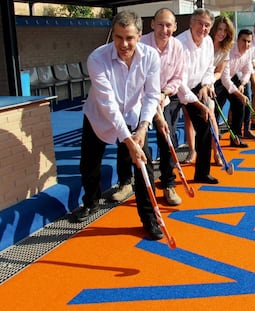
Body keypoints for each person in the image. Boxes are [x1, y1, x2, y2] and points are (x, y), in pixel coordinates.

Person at [73, 11, 164, 240]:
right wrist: (128, 139)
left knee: (144, 164)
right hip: (99, 116)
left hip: (134, 116)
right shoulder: (97, 58)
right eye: (118, 37)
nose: (123, 44)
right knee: (89, 163)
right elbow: (108, 104)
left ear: (140, 36)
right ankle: (91, 202)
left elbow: (152, 95)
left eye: (129, 38)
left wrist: (142, 129)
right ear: (112, 35)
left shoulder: (151, 56)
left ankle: (149, 218)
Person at [111, 8, 185, 206]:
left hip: (163, 97)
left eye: (169, 25)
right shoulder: (140, 43)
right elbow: (133, 78)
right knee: (127, 137)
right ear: (152, 24)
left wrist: (164, 94)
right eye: (160, 24)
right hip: (137, 98)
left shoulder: (178, 47)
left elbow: (178, 78)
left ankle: (168, 184)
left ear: (175, 27)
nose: (164, 29)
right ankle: (125, 182)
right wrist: (151, 102)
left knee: (167, 136)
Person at [175, 8, 219, 184]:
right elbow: (179, 81)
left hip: (193, 87)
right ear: (191, 23)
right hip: (171, 89)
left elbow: (210, 68)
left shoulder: (208, 41)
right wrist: (199, 104)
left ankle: (202, 173)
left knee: (204, 128)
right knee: (168, 135)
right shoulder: (179, 44)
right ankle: (167, 180)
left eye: (207, 25)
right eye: (200, 23)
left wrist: (207, 84)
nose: (203, 28)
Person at [219, 29, 254, 148]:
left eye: (249, 42)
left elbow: (247, 70)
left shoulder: (248, 52)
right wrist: (239, 93)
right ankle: (213, 137)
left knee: (239, 104)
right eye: (244, 41)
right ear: (237, 40)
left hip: (231, 77)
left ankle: (236, 137)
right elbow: (224, 79)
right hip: (218, 79)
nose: (246, 44)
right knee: (216, 109)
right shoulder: (229, 51)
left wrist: (242, 84)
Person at [210, 15, 235, 162]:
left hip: (210, 82)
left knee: (212, 116)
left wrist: (210, 81)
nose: (222, 33)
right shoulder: (205, 43)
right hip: (192, 82)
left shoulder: (225, 49)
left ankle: (216, 152)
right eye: (219, 29)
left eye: (225, 30)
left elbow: (219, 72)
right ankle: (192, 151)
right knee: (189, 120)